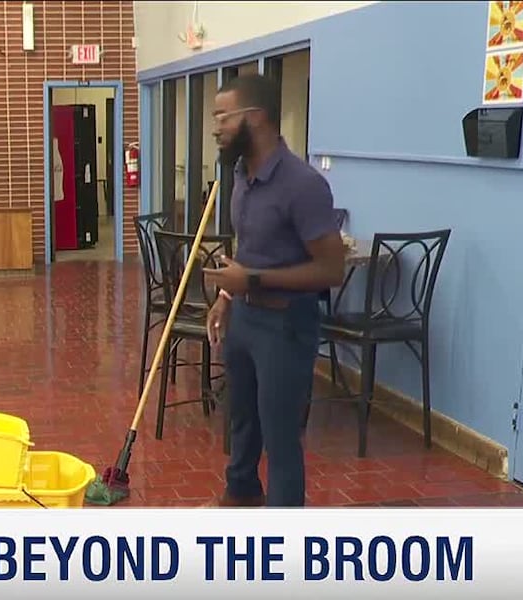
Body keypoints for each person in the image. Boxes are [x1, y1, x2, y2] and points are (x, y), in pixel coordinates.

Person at [202, 74, 346, 508]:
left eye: (223, 116)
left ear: (256, 117)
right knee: (242, 420)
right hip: (244, 318)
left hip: (285, 326)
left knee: (280, 437)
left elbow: (331, 269)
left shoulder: (302, 185)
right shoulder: (242, 177)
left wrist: (254, 281)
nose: (216, 126)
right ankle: (240, 494)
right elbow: (251, 250)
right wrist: (227, 298)